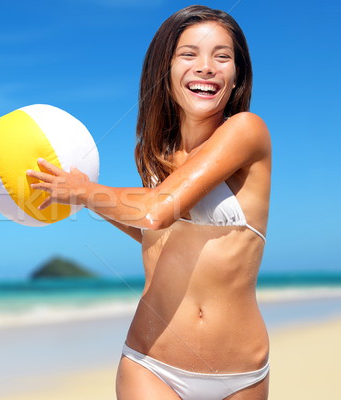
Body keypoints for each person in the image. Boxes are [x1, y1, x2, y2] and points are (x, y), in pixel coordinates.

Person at [26, 5, 271, 400]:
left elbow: (158, 210)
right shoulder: (154, 151)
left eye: (222, 56)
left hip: (239, 376)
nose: (206, 66)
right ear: (166, 68)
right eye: (189, 54)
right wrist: (89, 200)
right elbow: (155, 234)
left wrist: (83, 191)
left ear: (237, 74)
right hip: (150, 363)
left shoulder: (246, 131)